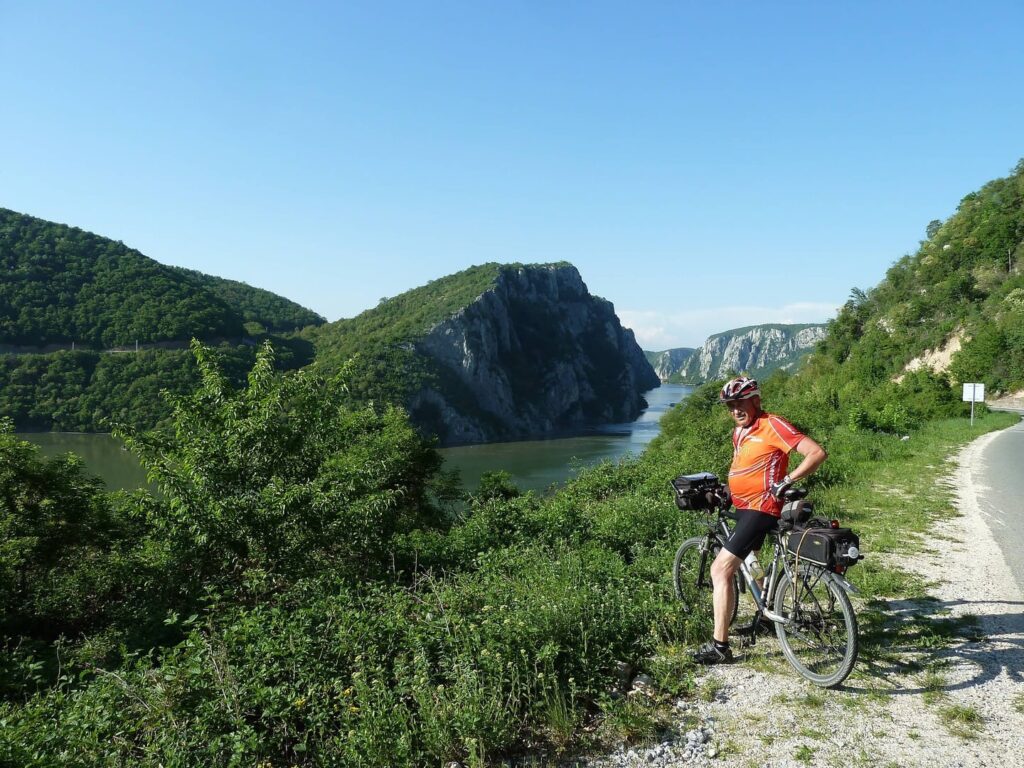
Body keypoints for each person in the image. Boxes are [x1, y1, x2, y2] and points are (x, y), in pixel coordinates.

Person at [692, 376, 827, 664]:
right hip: (744, 506)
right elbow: (746, 466)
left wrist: (787, 480)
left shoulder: (773, 424)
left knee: (720, 570)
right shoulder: (739, 432)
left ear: (756, 400)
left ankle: (720, 647)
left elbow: (816, 453)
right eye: (730, 405)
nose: (735, 409)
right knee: (750, 558)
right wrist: (729, 491)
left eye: (740, 402)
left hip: (762, 508)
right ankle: (766, 611)